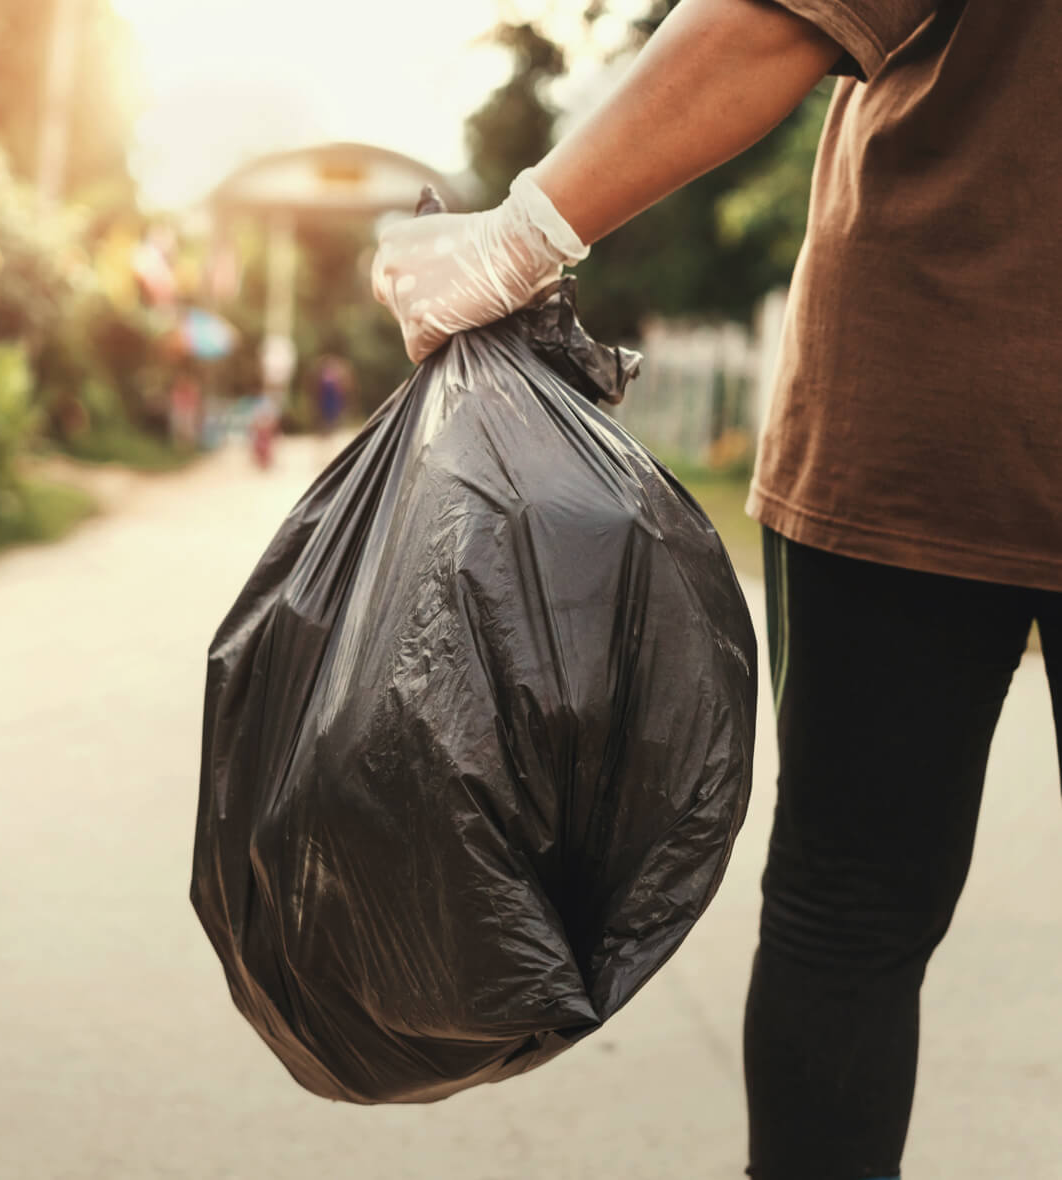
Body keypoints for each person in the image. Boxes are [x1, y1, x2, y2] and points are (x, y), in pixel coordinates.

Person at [371, 2, 1062, 1177]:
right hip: (917, 417)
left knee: (849, 910)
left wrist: (522, 232)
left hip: (924, 399)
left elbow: (776, 19)